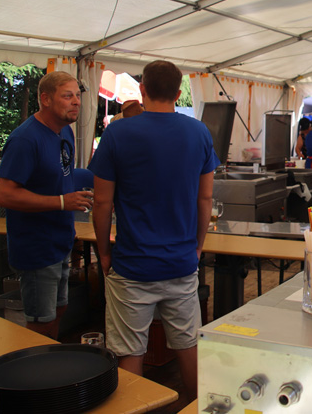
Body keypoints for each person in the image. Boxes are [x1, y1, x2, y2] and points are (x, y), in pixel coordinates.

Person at [89, 61, 219, 401]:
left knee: (130, 350)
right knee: (188, 344)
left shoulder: (117, 133)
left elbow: (101, 202)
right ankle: (196, 406)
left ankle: (135, 408)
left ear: (142, 89)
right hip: (181, 262)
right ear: (178, 93)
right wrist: (197, 247)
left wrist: (103, 252)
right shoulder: (199, 132)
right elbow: (205, 198)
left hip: (132, 263)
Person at [0, 71, 93, 338]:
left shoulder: (65, 132)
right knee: (40, 322)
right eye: (67, 96)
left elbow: (60, 177)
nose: (76, 101)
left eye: (77, 95)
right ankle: (37, 363)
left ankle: (50, 359)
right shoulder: (25, 139)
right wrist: (61, 202)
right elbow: (3, 195)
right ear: (46, 99)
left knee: (59, 311)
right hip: (37, 247)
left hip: (60, 241)